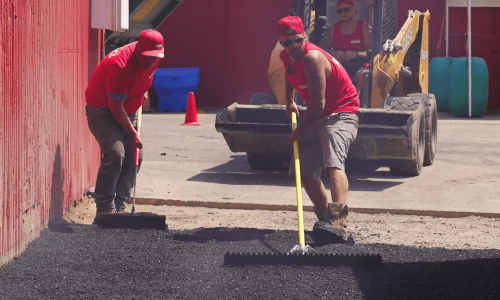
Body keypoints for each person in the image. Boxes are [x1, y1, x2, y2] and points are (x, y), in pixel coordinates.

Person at [278, 16, 360, 241]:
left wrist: (298, 131)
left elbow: (317, 106)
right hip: (319, 114)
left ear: (304, 37)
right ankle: (327, 220)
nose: (293, 46)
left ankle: (338, 220)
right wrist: (289, 100)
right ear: (281, 43)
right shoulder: (284, 56)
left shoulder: (312, 58)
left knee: (332, 158)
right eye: (287, 42)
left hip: (342, 111)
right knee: (304, 170)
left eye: (297, 41)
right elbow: (289, 74)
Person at [85, 30, 164, 217]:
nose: (152, 63)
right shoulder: (120, 65)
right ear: (138, 51)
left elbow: (143, 80)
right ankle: (105, 209)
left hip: (128, 108)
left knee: (135, 155)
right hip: (102, 110)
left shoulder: (153, 57)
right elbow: (114, 105)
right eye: (148, 58)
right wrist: (133, 132)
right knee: (116, 154)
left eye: (156, 58)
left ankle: (119, 208)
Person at [319, 0, 372, 91]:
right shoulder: (332, 29)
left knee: (364, 77)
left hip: (358, 67)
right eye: (339, 11)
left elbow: (372, 52)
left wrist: (356, 54)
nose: (343, 13)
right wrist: (332, 53)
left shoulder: (364, 28)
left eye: (346, 10)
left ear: (355, 10)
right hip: (338, 67)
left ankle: (361, 103)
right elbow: (321, 50)